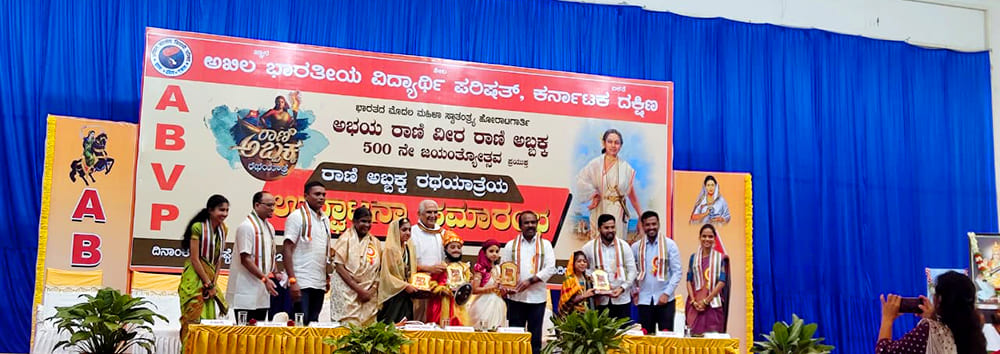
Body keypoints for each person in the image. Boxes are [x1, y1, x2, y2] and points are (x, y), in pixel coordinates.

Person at [877, 271, 987, 353]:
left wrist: (887, 318)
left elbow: (885, 351)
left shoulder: (929, 330)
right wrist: (933, 317)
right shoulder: (975, 333)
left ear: (939, 299)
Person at [501, 211, 556, 354]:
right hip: (515, 298)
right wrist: (507, 286)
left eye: (533, 222)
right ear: (520, 226)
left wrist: (529, 282)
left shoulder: (546, 244)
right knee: (515, 337)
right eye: (527, 223)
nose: (530, 225)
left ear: (537, 224)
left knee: (535, 339)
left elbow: (550, 268)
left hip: (537, 298)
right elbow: (505, 268)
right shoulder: (510, 246)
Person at [178, 195, 229, 342]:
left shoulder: (223, 230)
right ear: (210, 210)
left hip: (210, 281)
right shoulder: (198, 228)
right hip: (194, 279)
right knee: (193, 324)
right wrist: (208, 283)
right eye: (221, 210)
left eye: (226, 210)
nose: (224, 214)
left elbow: (219, 259)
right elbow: (195, 259)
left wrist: (213, 284)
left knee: (208, 328)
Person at [576, 129, 642, 241]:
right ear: (604, 143)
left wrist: (641, 215)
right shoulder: (595, 164)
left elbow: (631, 194)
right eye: (610, 141)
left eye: (617, 143)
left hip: (618, 210)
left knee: (617, 241)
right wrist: (594, 194)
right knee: (597, 243)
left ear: (621, 145)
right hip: (599, 208)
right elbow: (581, 180)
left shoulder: (626, 168)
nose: (613, 145)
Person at [282, 181, 332, 325]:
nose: (321, 197)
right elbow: (287, 248)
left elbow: (323, 251)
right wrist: (293, 281)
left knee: (313, 324)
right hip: (301, 281)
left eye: (323, 194)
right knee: (299, 324)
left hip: (319, 283)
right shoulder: (296, 217)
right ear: (306, 196)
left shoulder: (325, 220)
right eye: (317, 194)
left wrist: (326, 277)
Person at [227, 191, 279, 322]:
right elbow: (245, 259)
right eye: (268, 205)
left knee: (259, 333)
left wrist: (276, 273)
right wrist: (265, 279)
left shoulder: (270, 228)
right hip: (246, 288)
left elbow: (270, 254)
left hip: (262, 289)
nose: (272, 208)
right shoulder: (246, 227)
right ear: (257, 205)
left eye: (274, 205)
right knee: (245, 334)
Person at [631, 211, 682, 334]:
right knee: (646, 338)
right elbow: (631, 272)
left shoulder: (670, 245)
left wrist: (666, 293)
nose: (651, 227)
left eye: (654, 224)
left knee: (666, 337)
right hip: (644, 300)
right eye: (647, 225)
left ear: (658, 224)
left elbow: (677, 272)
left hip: (666, 300)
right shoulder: (636, 247)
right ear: (643, 226)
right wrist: (634, 292)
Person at [582, 214, 637, 324]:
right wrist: (594, 280)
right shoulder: (588, 247)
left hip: (621, 299)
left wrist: (622, 288)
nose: (610, 230)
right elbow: (583, 270)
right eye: (606, 228)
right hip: (600, 300)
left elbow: (632, 271)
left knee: (622, 336)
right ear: (599, 229)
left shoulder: (624, 246)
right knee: (601, 338)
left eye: (612, 227)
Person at [333, 207, 382, 326]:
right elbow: (339, 267)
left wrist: (371, 290)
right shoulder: (345, 239)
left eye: (369, 221)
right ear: (354, 222)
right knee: (348, 331)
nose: (367, 225)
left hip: (369, 295)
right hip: (347, 293)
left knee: (368, 334)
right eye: (363, 221)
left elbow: (378, 270)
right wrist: (359, 290)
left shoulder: (375, 242)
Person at [685, 224, 727, 334]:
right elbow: (689, 280)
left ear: (714, 238)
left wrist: (706, 301)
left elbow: (722, 281)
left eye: (710, 236)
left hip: (712, 305)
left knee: (712, 340)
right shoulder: (693, 258)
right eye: (704, 236)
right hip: (695, 304)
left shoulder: (720, 258)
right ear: (699, 238)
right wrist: (693, 301)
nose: (707, 239)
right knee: (694, 340)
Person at [411, 199, 447, 322]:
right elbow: (407, 263)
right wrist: (429, 269)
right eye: (428, 212)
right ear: (419, 214)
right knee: (418, 321)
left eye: (435, 212)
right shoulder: (411, 232)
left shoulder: (443, 233)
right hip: (419, 287)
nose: (432, 216)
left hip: (438, 287)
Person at [377, 218, 418, 323]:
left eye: (409, 230)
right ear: (396, 231)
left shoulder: (409, 248)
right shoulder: (390, 249)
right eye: (404, 230)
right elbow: (386, 275)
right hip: (393, 296)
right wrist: (405, 286)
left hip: (406, 296)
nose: (408, 233)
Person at [427, 230, 471, 327]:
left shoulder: (464, 268)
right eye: (452, 247)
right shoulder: (441, 266)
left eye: (459, 247)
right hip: (442, 304)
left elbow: (467, 284)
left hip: (459, 305)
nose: (456, 250)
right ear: (446, 250)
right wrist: (441, 290)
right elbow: (431, 283)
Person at [469, 239, 507, 330]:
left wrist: (503, 291)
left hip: (498, 303)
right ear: (484, 253)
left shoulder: (499, 268)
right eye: (491, 251)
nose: (494, 254)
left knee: (495, 331)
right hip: (483, 303)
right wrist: (492, 287)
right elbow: (474, 290)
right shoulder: (480, 268)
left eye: (497, 251)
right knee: (482, 331)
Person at [558, 250, 596, 317]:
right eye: (579, 261)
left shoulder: (588, 279)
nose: (582, 263)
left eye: (584, 261)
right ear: (573, 263)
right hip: (572, 316)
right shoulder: (569, 280)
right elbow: (567, 301)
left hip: (587, 315)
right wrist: (584, 296)